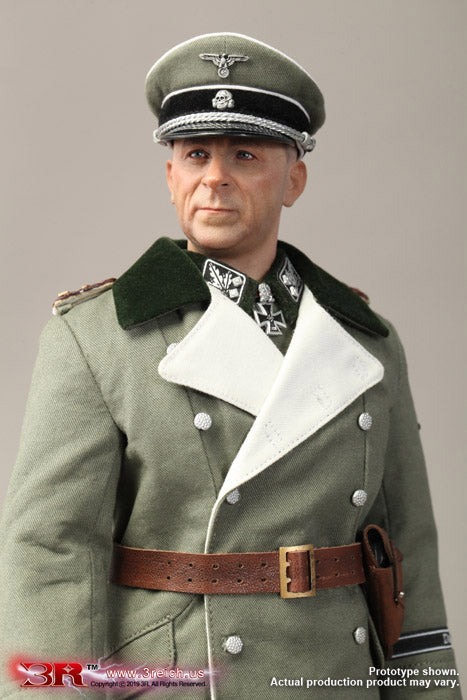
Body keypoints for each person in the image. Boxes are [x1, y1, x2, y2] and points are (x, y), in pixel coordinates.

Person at [0, 32, 461, 699]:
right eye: (195, 154)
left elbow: (405, 556)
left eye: (244, 155)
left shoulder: (365, 341)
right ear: (171, 177)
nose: (214, 177)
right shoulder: (97, 337)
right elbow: (51, 553)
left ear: (293, 180)